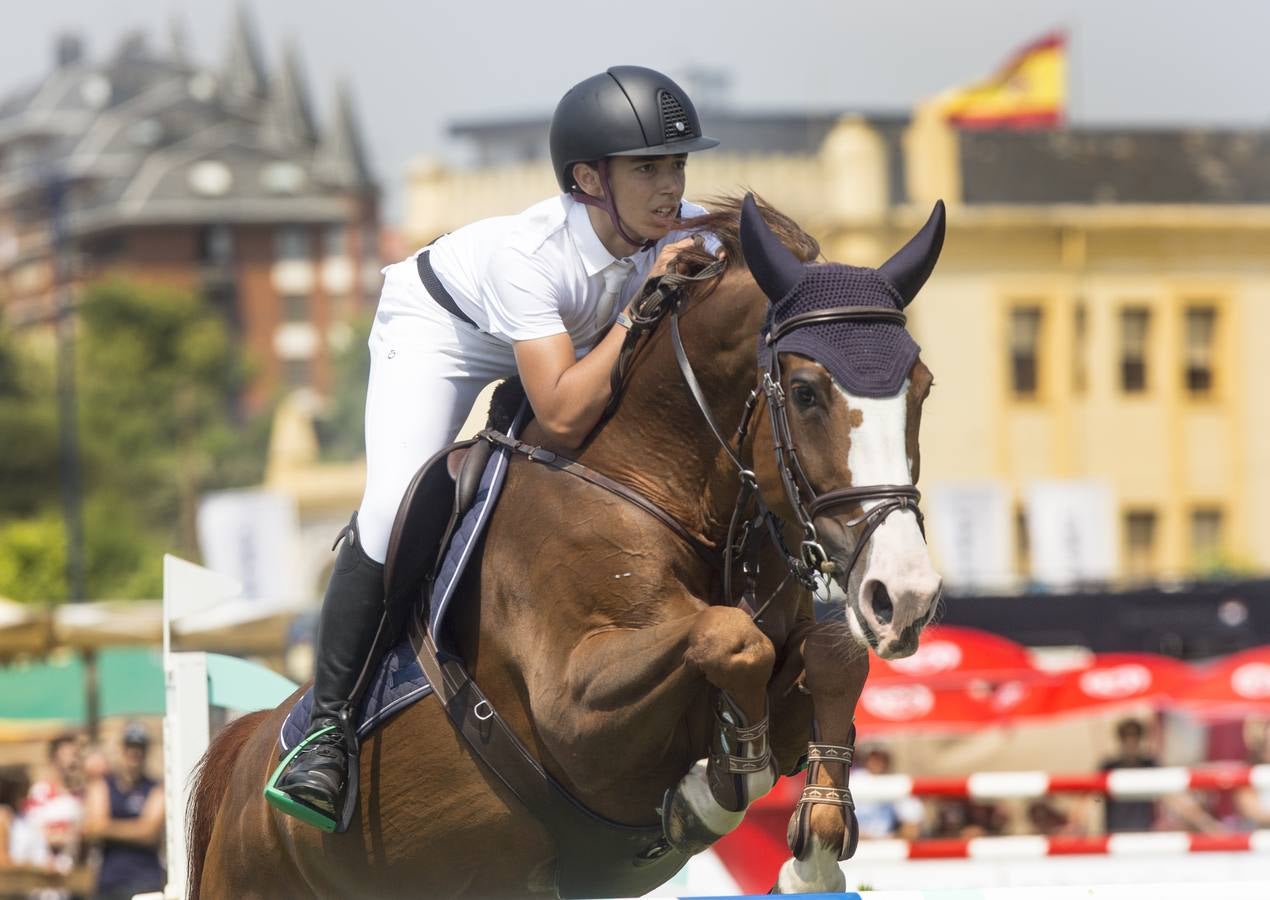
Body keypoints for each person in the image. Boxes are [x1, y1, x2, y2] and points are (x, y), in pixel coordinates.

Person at [267, 65, 722, 829]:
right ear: (588, 179)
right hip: (445, 331)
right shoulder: (530, 254)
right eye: (648, 167)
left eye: (677, 163)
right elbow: (567, 412)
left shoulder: (685, 229)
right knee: (393, 504)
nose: (670, 185)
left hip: (568, 340)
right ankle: (328, 728)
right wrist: (646, 302)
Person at [82, 723, 165, 900]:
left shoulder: (156, 789)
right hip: (109, 882)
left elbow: (149, 833)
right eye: (130, 748)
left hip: (147, 881)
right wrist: (136, 828)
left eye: (139, 749)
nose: (134, 755)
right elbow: (93, 827)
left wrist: (108, 827)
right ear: (121, 749)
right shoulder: (103, 785)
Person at [18, 734, 84, 877]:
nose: (74, 761)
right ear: (53, 758)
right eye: (69, 755)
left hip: (76, 878)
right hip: (45, 878)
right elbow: (29, 834)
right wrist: (66, 837)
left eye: (77, 755)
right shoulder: (39, 794)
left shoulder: (83, 797)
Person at [851, 746, 923, 840]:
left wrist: (887, 840)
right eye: (873, 757)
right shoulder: (852, 781)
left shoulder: (898, 783)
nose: (877, 762)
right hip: (854, 844)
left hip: (887, 845)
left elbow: (912, 828)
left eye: (881, 758)